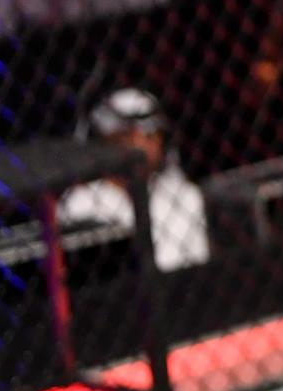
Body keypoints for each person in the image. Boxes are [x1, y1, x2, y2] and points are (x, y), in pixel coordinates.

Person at [58, 86, 210, 273]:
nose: (147, 143)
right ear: (107, 140)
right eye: (132, 135)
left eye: (153, 134)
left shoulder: (182, 194)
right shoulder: (81, 202)